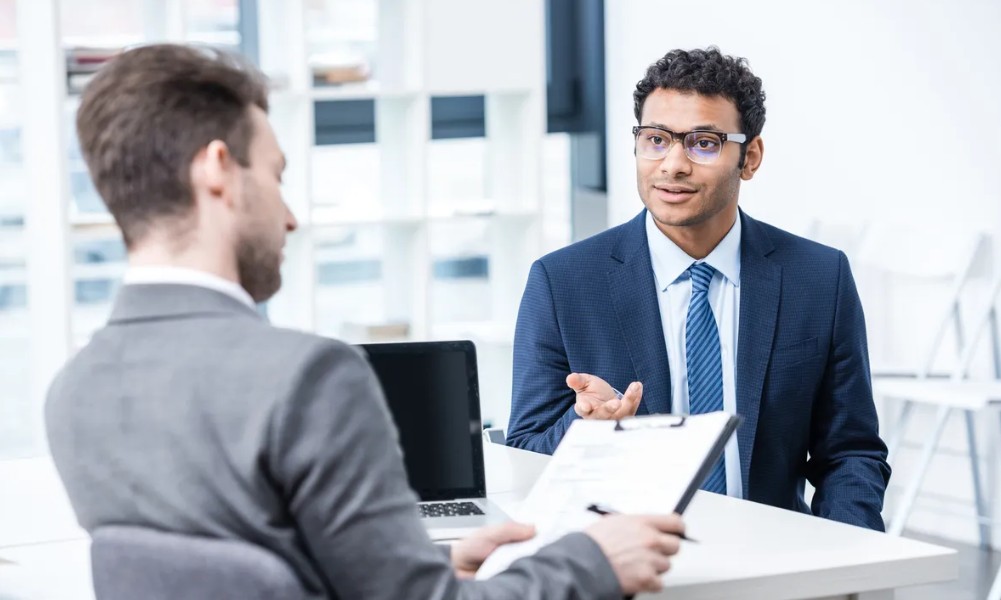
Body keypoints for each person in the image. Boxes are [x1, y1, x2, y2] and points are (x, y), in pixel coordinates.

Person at [43, 44, 687, 600]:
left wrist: (428, 565)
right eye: (276, 177)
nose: (289, 217)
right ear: (218, 170)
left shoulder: (75, 391)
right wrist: (593, 559)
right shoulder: (306, 377)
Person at [506, 47, 891, 531]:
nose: (673, 164)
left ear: (749, 157)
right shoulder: (563, 283)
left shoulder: (818, 278)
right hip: (622, 562)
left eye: (703, 143)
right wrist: (587, 429)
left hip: (773, 557)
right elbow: (524, 456)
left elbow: (850, 452)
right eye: (656, 139)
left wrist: (849, 561)